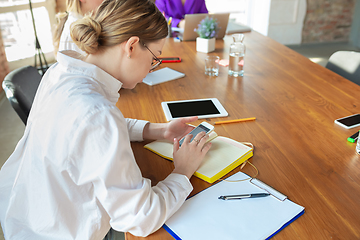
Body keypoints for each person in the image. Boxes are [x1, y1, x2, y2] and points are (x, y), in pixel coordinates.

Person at [0, 0, 212, 239]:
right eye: (154, 59)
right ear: (132, 46)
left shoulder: (60, 72)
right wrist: (183, 170)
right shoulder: (98, 114)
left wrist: (160, 130)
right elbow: (140, 216)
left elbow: (97, 131)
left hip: (25, 212)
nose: (152, 67)